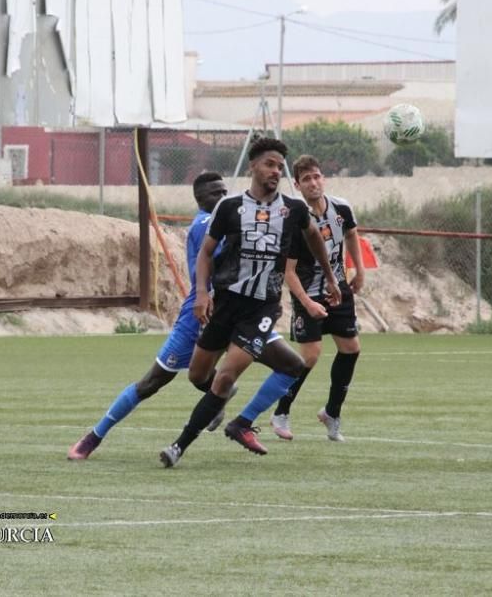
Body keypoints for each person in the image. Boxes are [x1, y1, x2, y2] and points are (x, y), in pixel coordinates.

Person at [68, 171, 291, 460]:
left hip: (244, 311)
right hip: (200, 315)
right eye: (215, 193)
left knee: (291, 364)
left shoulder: (232, 219)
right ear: (200, 199)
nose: (222, 197)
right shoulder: (205, 223)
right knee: (152, 382)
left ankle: (241, 420)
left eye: (224, 191)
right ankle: (93, 437)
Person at [159, 137, 340, 467]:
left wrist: (329, 276)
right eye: (270, 164)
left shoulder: (293, 209)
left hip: (261, 309)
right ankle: (232, 418)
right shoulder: (229, 208)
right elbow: (205, 253)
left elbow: (314, 237)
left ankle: (179, 446)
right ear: (252, 166)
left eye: (280, 167)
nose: (275, 171)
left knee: (226, 376)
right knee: (198, 375)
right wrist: (201, 293)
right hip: (226, 304)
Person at [262, 154, 364, 442]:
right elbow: (288, 272)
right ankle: (281, 411)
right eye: (306, 179)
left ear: (324, 178)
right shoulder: (296, 221)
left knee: (351, 348)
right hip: (308, 293)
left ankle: (332, 412)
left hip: (339, 289)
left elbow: (352, 234)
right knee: (310, 355)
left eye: (317, 176)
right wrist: (307, 303)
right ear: (297, 185)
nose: (313, 182)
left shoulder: (341, 207)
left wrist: (359, 270)